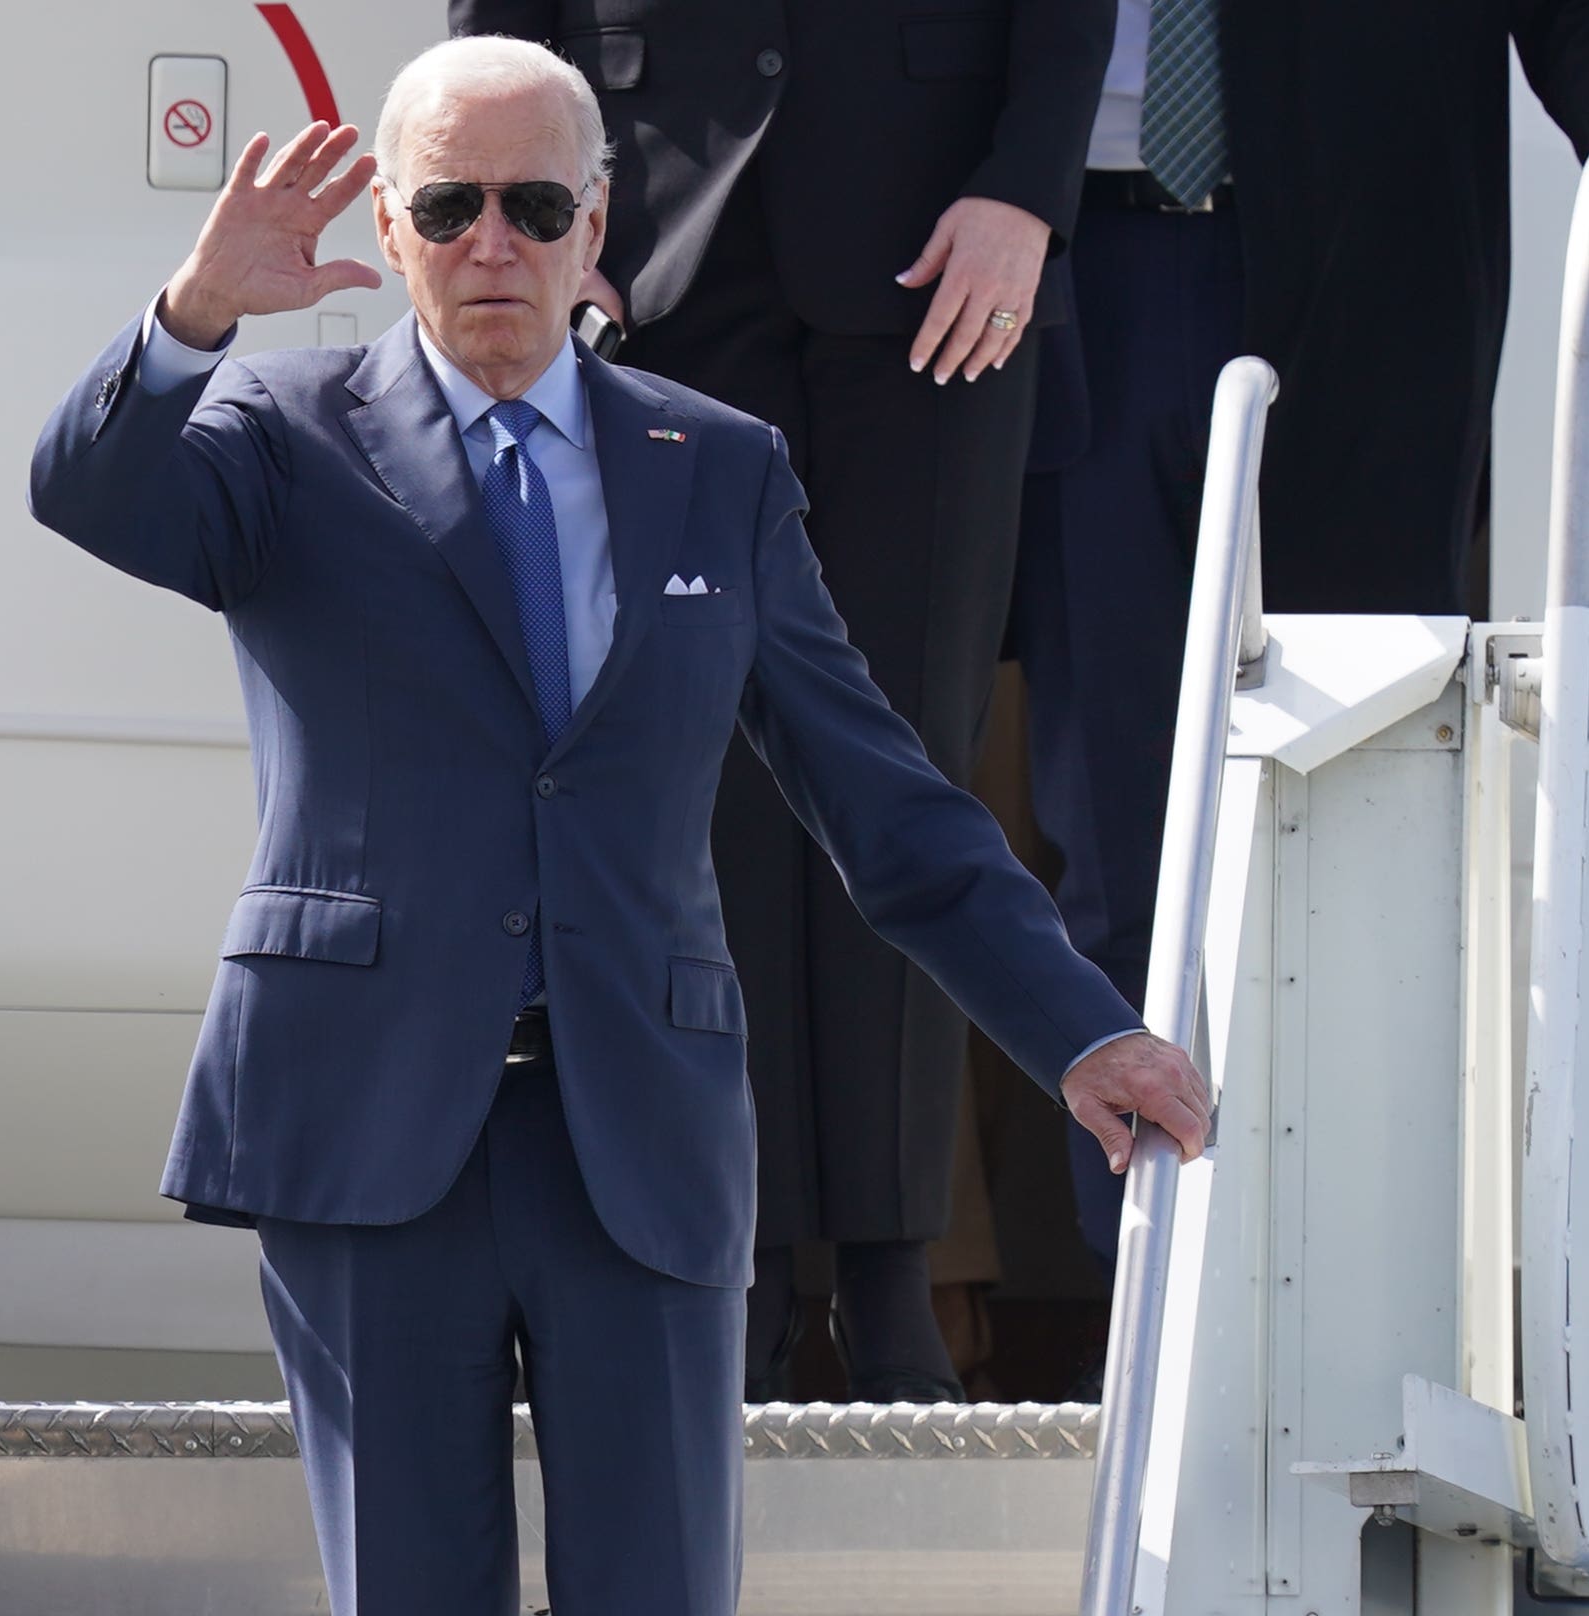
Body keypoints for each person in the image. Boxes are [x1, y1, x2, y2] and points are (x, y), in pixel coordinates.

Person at [27, 37, 1208, 1614]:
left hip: (633, 1134)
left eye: (530, 204)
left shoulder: (713, 468)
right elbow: (89, 495)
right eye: (448, 207)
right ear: (388, 227)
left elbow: (883, 798)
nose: (492, 246)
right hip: (368, 1129)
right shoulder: (279, 435)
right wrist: (193, 316)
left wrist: (1081, 1034)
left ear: (601, 219)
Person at [448, 0, 1114, 1401]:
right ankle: (732, 1266)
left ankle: (889, 1275)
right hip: (655, 242)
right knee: (701, 787)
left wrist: (1027, 188)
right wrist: (555, 218)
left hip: (946, 251)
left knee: (903, 763)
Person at [1012, 0, 1589, 1291]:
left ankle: (1370, 1292)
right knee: (1120, 833)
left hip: (1373, 273)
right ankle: (1146, 1300)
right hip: (1071, 260)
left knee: (1369, 810)